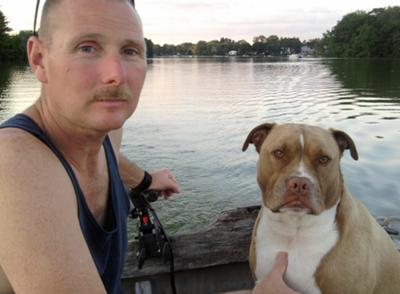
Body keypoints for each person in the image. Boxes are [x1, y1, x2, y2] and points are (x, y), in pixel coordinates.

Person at [0, 0, 297, 293]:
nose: (115, 74)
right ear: (39, 58)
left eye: (130, 51)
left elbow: (110, 156)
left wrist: (147, 180)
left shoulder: (105, 130)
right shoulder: (14, 163)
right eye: (87, 47)